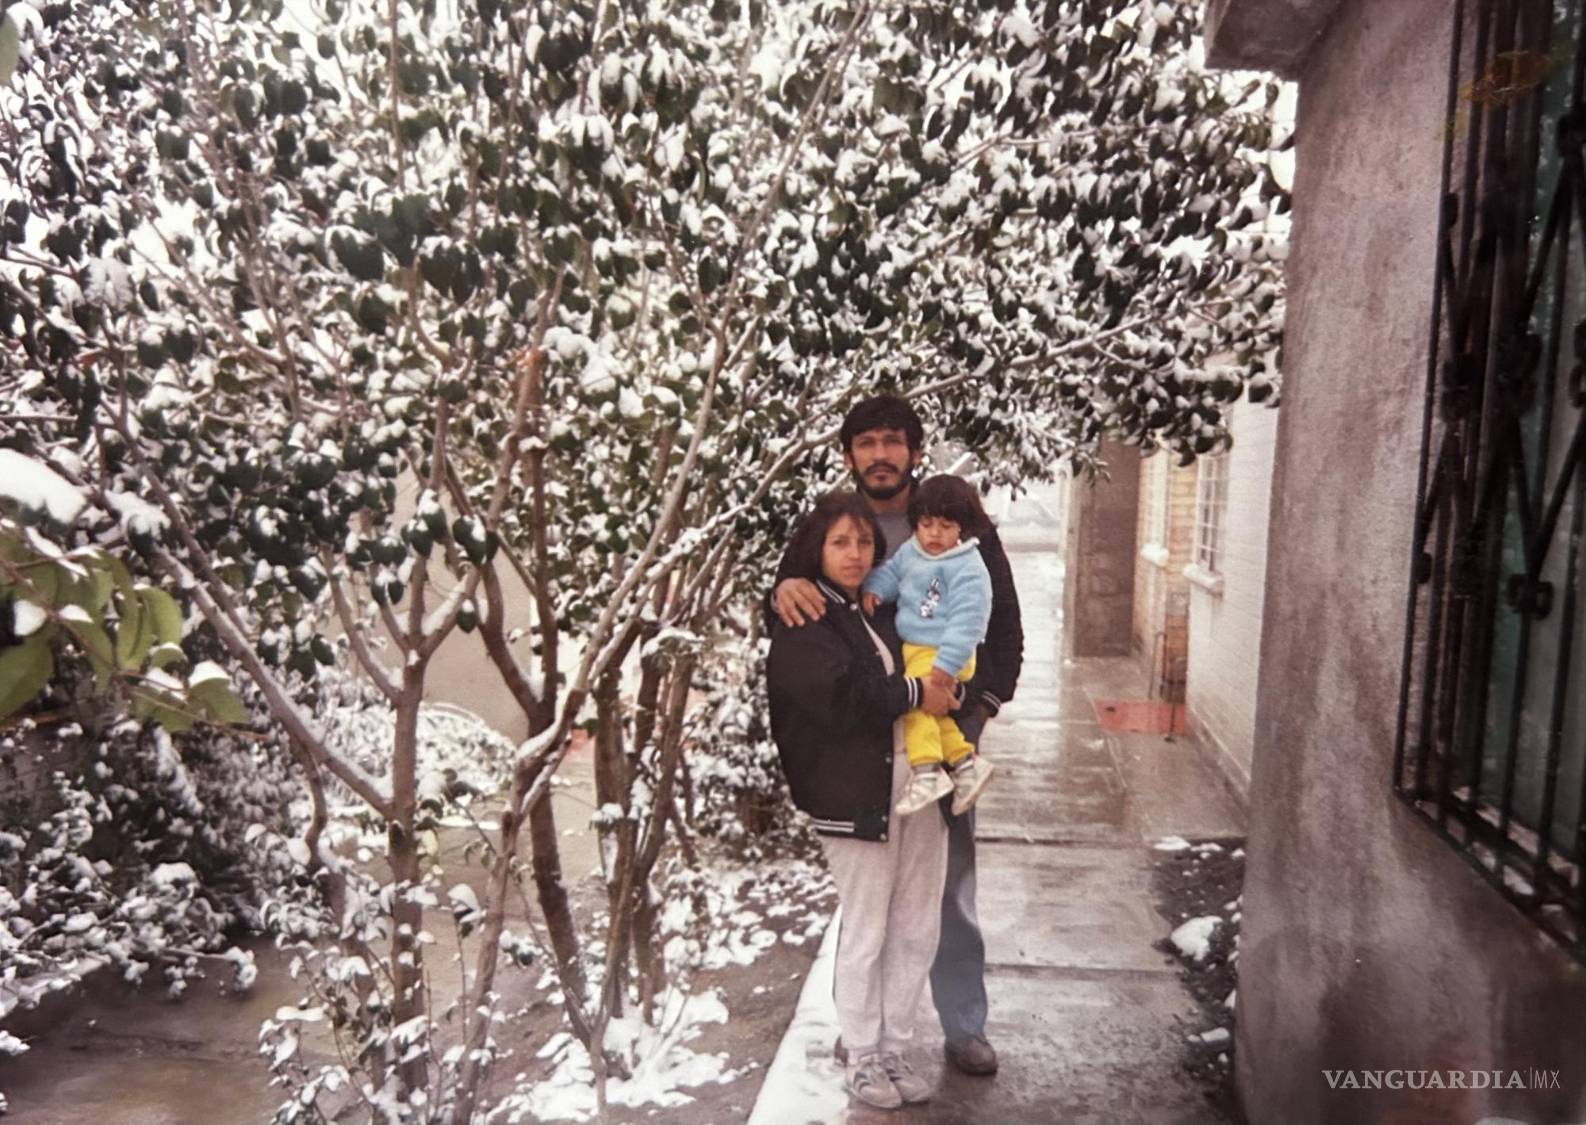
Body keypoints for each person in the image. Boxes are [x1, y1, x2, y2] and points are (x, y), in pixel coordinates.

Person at [770, 394, 1023, 1078]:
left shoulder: (960, 523)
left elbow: (1003, 626)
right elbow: (795, 611)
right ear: (848, 454)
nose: (880, 454)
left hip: (942, 736)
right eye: (866, 442)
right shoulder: (829, 525)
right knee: (872, 901)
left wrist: (979, 710)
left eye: (892, 441)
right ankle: (865, 1032)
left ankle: (963, 1024)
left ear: (913, 450)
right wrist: (780, 588)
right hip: (866, 748)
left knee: (947, 891)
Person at [766, 490, 960, 1109]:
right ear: (816, 549)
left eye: (865, 542)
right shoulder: (805, 617)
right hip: (855, 796)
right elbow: (842, 699)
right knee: (868, 927)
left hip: (917, 781)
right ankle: (863, 1053)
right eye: (840, 542)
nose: (854, 554)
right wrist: (917, 692)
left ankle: (896, 1046)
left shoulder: (874, 609)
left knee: (916, 925)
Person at [861, 474, 997, 817]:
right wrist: (875, 589)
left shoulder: (967, 566)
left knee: (916, 706)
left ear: (962, 528)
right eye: (926, 524)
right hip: (918, 648)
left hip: (946, 651)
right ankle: (966, 765)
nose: (934, 534)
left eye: (946, 526)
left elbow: (969, 620)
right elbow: (892, 573)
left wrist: (947, 664)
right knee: (934, 715)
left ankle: (926, 772)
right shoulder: (912, 551)